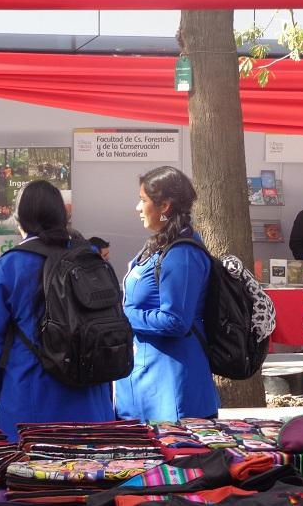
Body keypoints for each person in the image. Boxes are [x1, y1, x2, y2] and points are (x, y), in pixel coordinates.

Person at [0, 180, 115, 441]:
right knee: (91, 475)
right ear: (63, 215)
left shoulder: (9, 266)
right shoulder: (90, 258)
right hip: (91, 396)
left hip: (29, 395)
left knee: (30, 479)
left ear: (20, 220)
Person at [115, 166, 219, 422]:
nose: (138, 208)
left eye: (143, 201)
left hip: (173, 391)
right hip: (146, 384)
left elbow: (176, 321)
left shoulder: (183, 254)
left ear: (165, 206)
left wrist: (123, 315)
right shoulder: (160, 246)